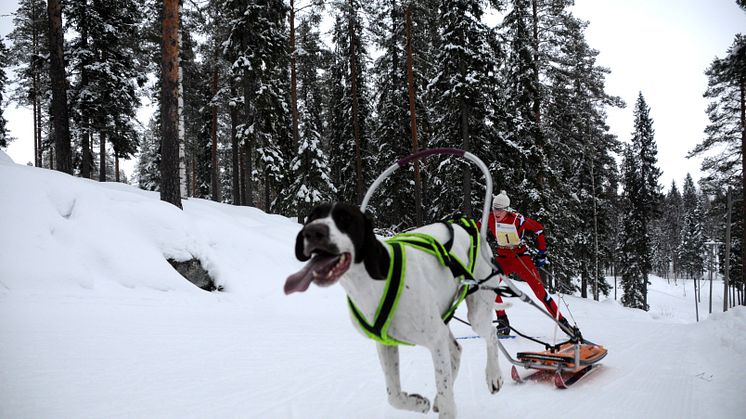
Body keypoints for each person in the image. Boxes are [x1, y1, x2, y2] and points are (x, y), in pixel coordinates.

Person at [482, 190, 569, 336]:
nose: (496, 212)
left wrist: (542, 253)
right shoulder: (489, 218)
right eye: (494, 208)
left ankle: (564, 324)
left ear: (507, 209)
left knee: (540, 293)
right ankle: (503, 321)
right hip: (503, 258)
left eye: (500, 209)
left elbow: (539, 230)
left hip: (521, 258)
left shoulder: (517, 219)